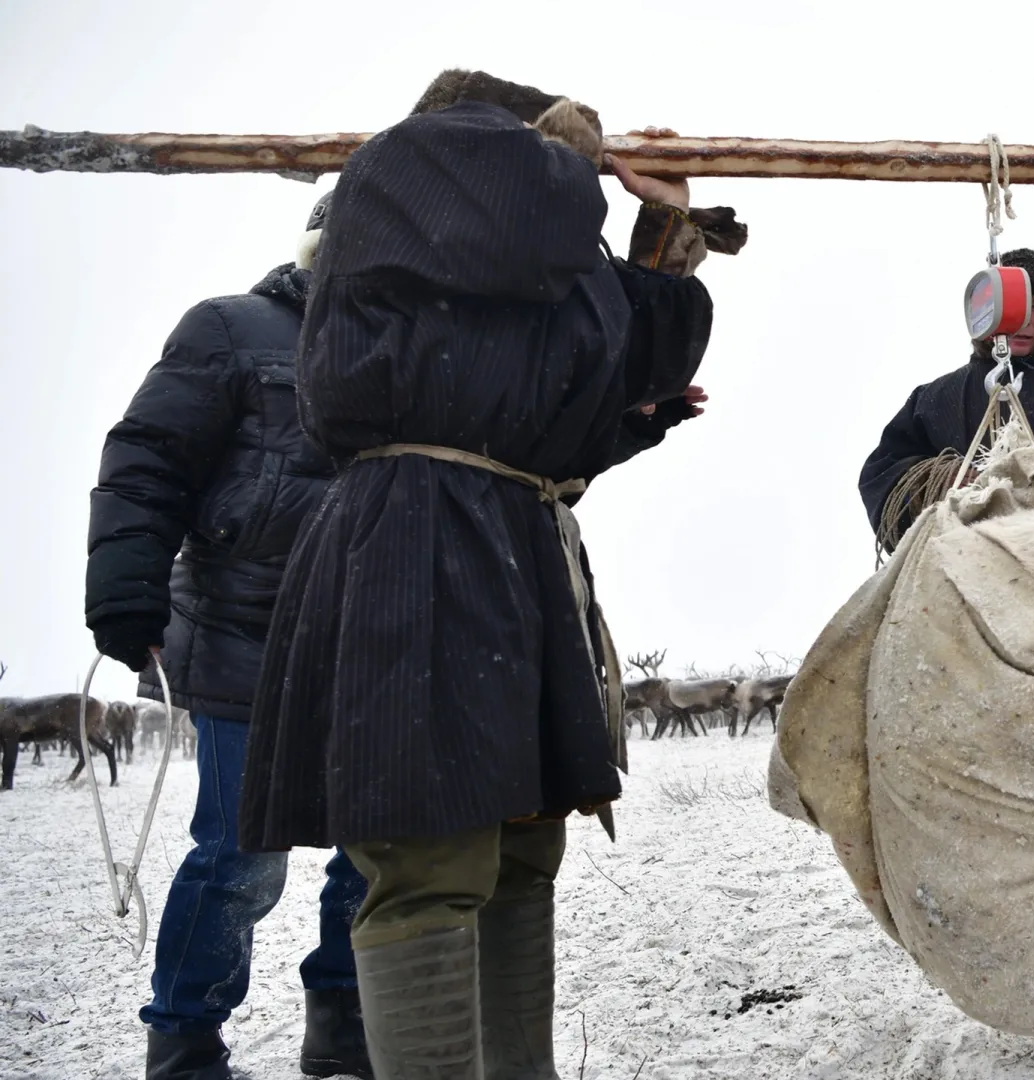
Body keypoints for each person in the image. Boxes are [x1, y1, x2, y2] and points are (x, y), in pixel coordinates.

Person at [235, 69, 732, 1078]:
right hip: (413, 541)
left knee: (519, 849)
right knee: (430, 856)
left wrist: (666, 229)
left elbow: (629, 358)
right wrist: (562, 150)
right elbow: (467, 164)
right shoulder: (398, 183)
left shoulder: (519, 270)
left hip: (511, 537)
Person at [85, 194, 372, 1080]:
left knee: (382, 851)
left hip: (379, 639)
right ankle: (184, 1042)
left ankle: (347, 1027)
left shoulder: (417, 353)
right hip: (248, 628)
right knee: (242, 854)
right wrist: (126, 590)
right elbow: (147, 457)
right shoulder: (231, 329)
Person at [858, 248, 1034, 550]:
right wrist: (939, 480)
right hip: (966, 563)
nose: (1024, 321)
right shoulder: (935, 397)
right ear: (984, 312)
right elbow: (880, 476)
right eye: (1013, 306)